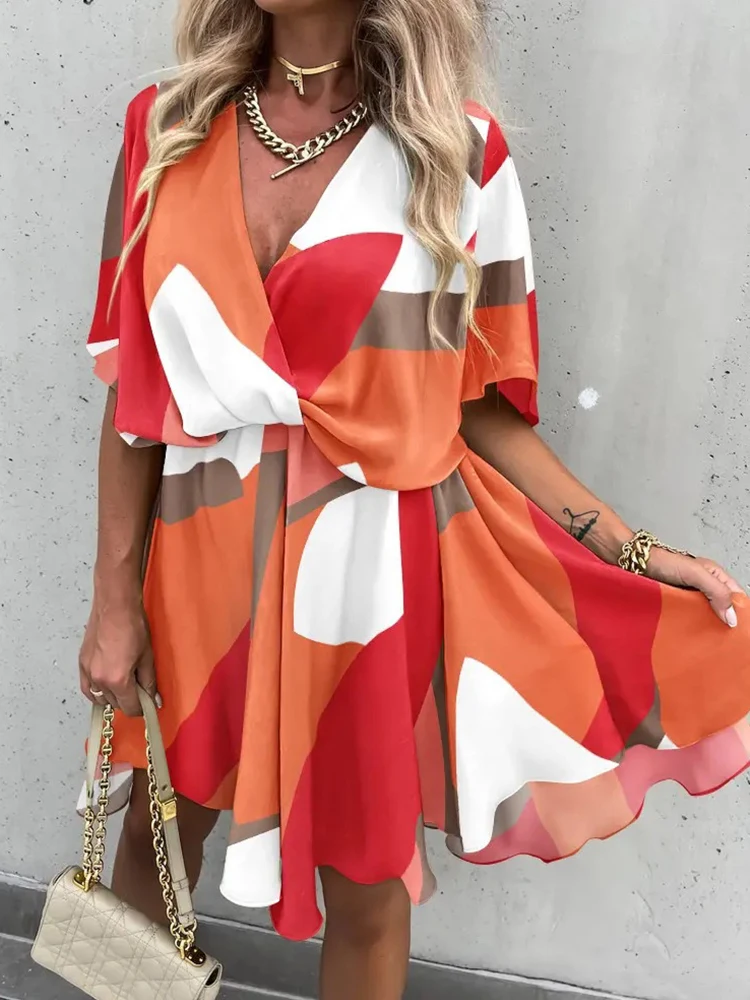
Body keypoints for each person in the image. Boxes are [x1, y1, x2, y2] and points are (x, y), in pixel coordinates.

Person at [77, 1, 750, 997]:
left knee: (366, 879)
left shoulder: (461, 155)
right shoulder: (165, 124)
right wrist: (112, 599)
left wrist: (631, 549)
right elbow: (133, 385)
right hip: (199, 557)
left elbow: (479, 406)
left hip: (370, 580)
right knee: (154, 827)